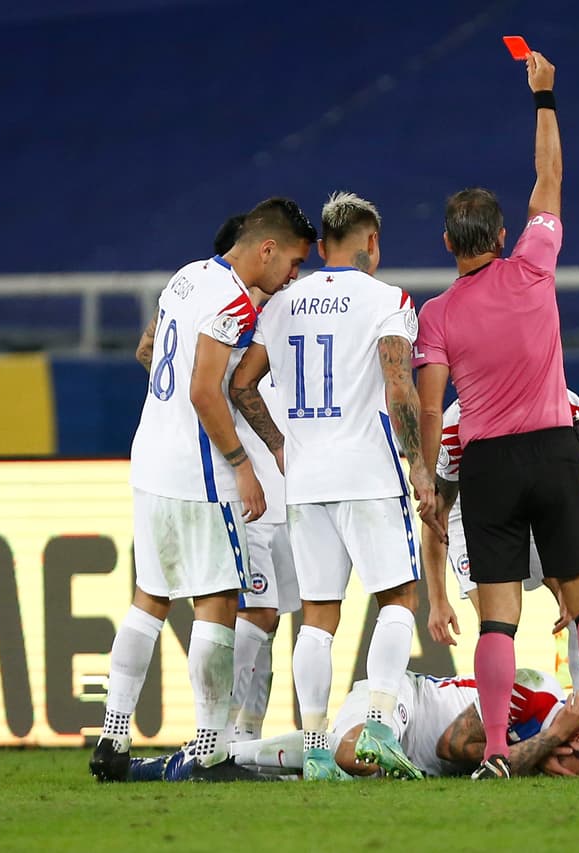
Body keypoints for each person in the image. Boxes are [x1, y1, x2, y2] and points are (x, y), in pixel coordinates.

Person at [413, 51, 579, 779]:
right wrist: (544, 97)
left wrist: (424, 472)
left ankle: (494, 750)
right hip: (554, 450)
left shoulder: (436, 314)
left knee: (497, 620)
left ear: (448, 245)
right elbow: (549, 176)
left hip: (486, 462)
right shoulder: (534, 264)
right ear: (500, 237)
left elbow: (430, 403)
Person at [91, 198, 315, 781]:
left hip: (150, 462)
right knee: (217, 602)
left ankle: (112, 735)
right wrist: (241, 463)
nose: (294, 274)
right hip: (200, 475)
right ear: (267, 249)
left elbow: (149, 351)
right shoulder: (234, 302)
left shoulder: (186, 277)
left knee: (149, 598)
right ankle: (211, 749)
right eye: (293, 262)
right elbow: (203, 391)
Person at [229, 191, 436, 782]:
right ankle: (378, 729)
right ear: (372, 242)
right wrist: (419, 468)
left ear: (320, 247)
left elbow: (242, 385)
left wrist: (279, 445)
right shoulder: (388, 300)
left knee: (318, 618)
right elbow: (399, 387)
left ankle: (318, 748)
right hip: (368, 473)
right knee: (398, 600)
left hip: (306, 478)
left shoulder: (283, 302)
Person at [125, 669, 579, 781]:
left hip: (410, 763)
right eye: (569, 770)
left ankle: (210, 766)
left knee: (318, 775)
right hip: (400, 700)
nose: (558, 778)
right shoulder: (533, 690)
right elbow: (453, 745)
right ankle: (218, 753)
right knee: (358, 755)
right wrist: (548, 738)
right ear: (574, 739)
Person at [424, 388, 579, 693]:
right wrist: (437, 599)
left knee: (578, 608)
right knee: (495, 625)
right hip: (474, 510)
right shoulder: (456, 421)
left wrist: (568, 571)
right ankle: (498, 716)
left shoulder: (568, 404)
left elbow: (576, 497)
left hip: (540, 501)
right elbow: (438, 515)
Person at [208, 212, 302, 743]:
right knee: (258, 613)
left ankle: (248, 737)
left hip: (288, 489)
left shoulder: (283, 310)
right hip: (251, 488)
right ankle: (221, 734)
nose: (289, 273)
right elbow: (150, 349)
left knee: (271, 619)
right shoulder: (224, 310)